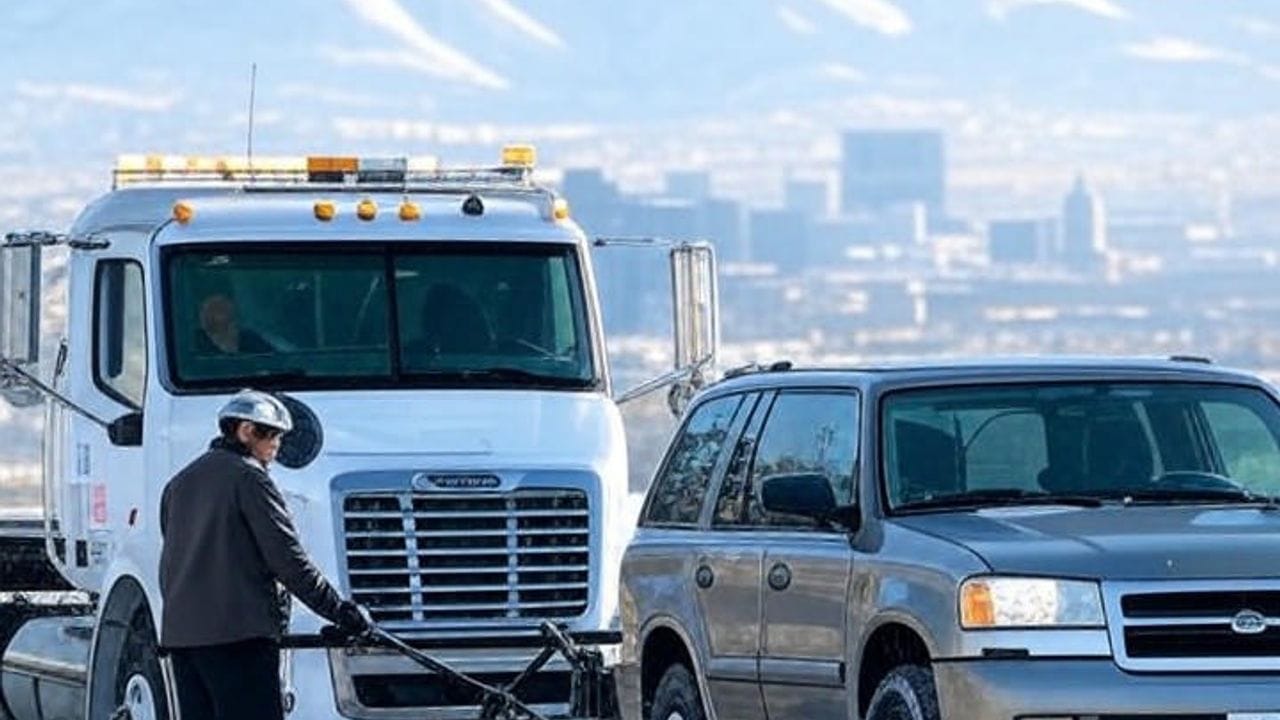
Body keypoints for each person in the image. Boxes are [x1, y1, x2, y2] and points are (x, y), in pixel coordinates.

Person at [158, 390, 369, 720]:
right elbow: (288, 560)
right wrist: (340, 611)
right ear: (246, 431)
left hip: (183, 640)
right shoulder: (249, 478)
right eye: (272, 436)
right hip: (239, 638)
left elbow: (173, 562)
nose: (277, 446)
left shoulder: (179, 483)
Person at [196, 293, 274, 355]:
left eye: (221, 311)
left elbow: (272, 358)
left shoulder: (250, 338)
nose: (209, 316)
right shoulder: (197, 341)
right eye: (206, 312)